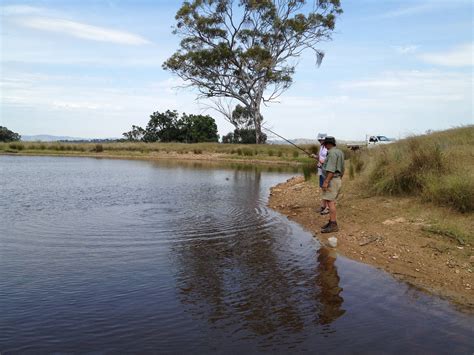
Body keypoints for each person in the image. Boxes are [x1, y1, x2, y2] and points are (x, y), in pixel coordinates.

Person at [320, 136, 345, 233]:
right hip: (337, 179)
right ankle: (331, 222)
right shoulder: (339, 152)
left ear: (328, 144)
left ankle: (334, 224)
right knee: (331, 201)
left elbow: (331, 170)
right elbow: (343, 168)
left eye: (325, 144)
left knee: (330, 202)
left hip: (332, 180)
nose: (325, 146)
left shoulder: (331, 153)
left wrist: (326, 182)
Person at [316, 133, 329, 215]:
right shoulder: (321, 147)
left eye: (322, 140)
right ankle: (323, 206)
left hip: (325, 170)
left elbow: (328, 160)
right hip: (320, 170)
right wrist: (316, 156)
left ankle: (328, 207)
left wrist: (320, 160)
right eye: (319, 140)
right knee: (322, 188)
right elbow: (320, 156)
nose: (320, 141)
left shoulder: (328, 149)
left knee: (326, 188)